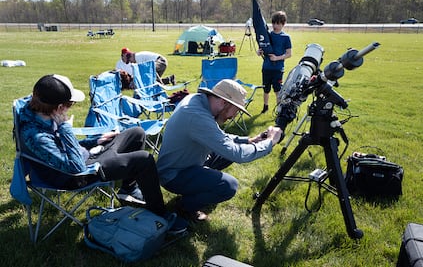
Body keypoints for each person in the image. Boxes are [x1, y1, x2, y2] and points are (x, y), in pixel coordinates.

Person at [19, 74, 187, 233]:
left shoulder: (42, 115)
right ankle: (159, 212)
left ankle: (128, 189)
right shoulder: (36, 136)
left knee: (136, 133)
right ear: (60, 108)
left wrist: (95, 141)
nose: (70, 109)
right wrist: (65, 127)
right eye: (70, 105)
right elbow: (75, 167)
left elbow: (65, 147)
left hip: (84, 158)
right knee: (144, 159)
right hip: (76, 175)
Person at [157, 79, 282, 222]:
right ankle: (185, 206)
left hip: (186, 162)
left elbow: (217, 135)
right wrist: (270, 142)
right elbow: (238, 154)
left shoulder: (199, 102)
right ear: (224, 103)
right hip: (174, 175)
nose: (234, 116)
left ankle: (196, 190)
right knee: (228, 186)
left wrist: (249, 140)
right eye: (236, 110)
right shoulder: (196, 116)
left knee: (228, 152)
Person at [257, 10, 292, 114]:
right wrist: (259, 52)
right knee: (266, 89)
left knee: (277, 91)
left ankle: (278, 109)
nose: (275, 25)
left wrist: (277, 58)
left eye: (278, 23)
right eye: (273, 23)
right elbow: (262, 48)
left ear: (283, 24)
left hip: (278, 69)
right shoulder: (268, 35)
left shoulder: (286, 38)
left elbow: (289, 54)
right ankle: (265, 106)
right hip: (266, 68)